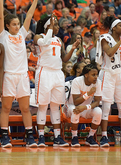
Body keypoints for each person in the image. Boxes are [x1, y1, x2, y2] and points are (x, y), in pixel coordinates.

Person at [0, 0, 40, 147]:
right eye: (14, 24)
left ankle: (29, 136)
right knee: (6, 108)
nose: (17, 26)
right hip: (8, 75)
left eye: (17, 24)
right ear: (8, 26)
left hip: (22, 75)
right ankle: (5, 137)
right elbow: (0, 17)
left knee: (25, 108)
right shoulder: (3, 36)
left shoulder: (21, 34)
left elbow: (29, 15)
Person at [34, 15, 80, 147]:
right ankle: (41, 137)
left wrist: (72, 49)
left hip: (57, 73)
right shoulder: (39, 37)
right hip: (44, 72)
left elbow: (64, 59)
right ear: (48, 26)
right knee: (43, 105)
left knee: (55, 106)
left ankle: (57, 137)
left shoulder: (58, 39)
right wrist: (49, 27)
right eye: (55, 25)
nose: (58, 27)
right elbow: (44, 43)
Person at [95, 17, 121, 147]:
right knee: (106, 106)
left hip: (120, 74)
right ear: (113, 28)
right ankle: (104, 136)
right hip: (107, 74)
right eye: (120, 25)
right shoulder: (105, 37)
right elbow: (110, 53)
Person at [66, 64, 102, 147]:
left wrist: (86, 107)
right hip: (72, 107)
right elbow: (76, 102)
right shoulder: (77, 81)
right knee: (76, 110)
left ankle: (90, 137)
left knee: (98, 111)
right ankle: (74, 137)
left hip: (86, 108)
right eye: (93, 75)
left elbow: (97, 102)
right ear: (86, 75)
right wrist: (88, 94)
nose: (96, 77)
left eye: (97, 74)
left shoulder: (98, 83)